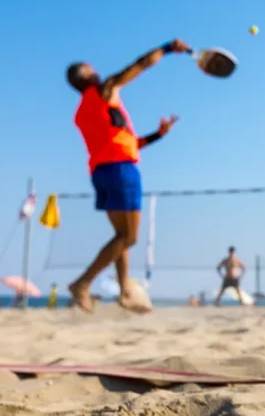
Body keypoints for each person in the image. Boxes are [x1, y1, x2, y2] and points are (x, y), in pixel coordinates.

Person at [66, 39, 190, 312]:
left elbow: (128, 142)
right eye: (91, 68)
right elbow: (140, 65)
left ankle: (125, 292)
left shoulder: (85, 111)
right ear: (86, 76)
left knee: (120, 236)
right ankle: (82, 283)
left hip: (101, 172)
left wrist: (159, 134)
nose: (96, 69)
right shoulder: (103, 90)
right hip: (121, 170)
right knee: (129, 237)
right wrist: (168, 48)